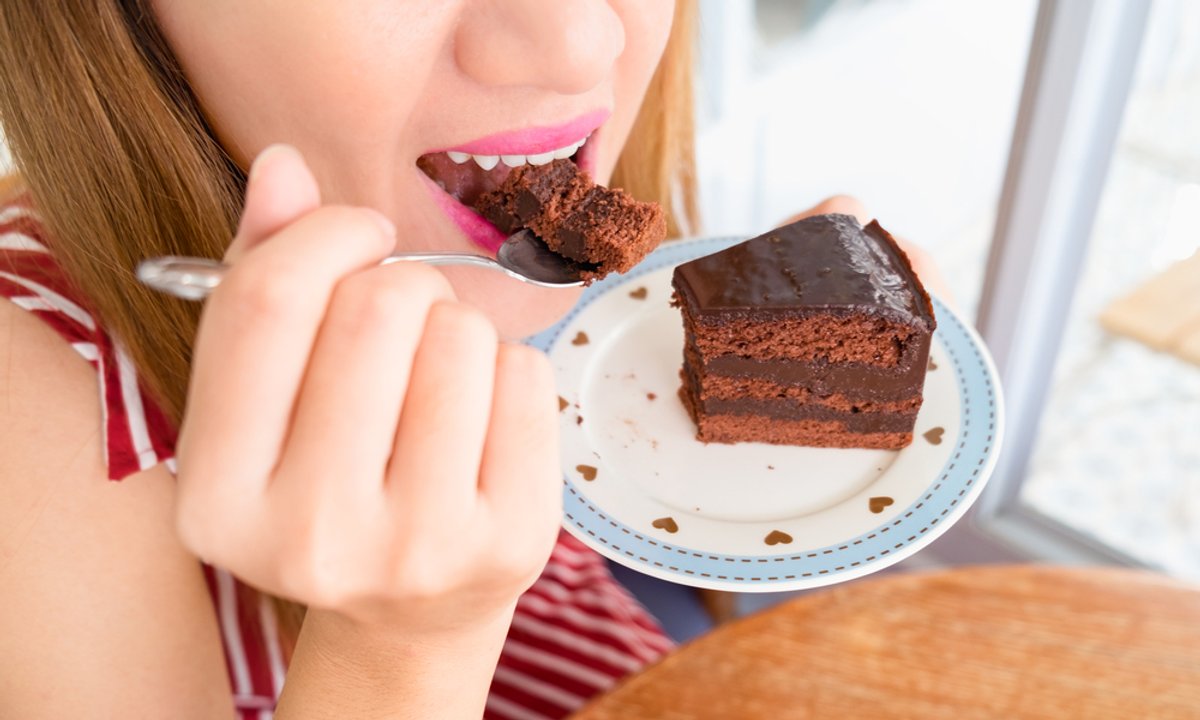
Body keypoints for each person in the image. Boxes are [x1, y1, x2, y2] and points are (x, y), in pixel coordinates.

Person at [0, 1, 943, 718]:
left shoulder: (479, 234)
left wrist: (789, 456)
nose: (582, 41)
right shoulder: (32, 424)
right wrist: (401, 653)